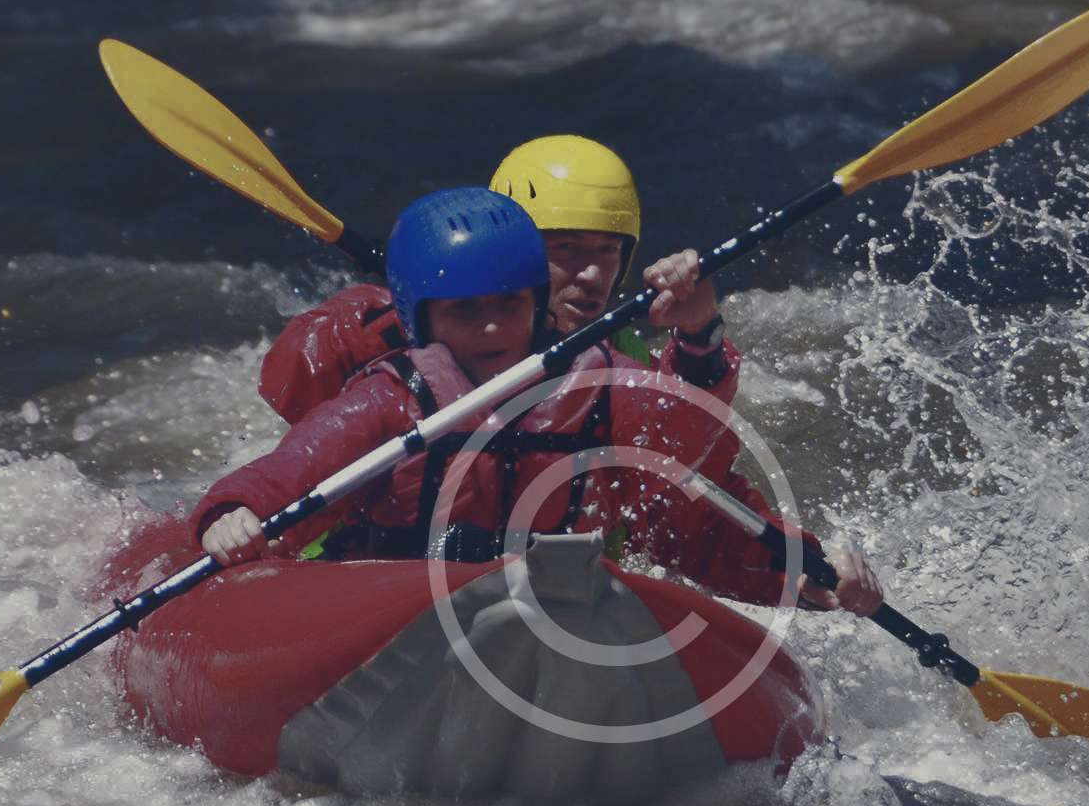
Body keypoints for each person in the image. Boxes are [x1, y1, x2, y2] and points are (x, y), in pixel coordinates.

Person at [200, 188, 881, 615]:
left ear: (535, 304)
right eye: (465, 312)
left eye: (509, 305)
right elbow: (287, 475)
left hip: (549, 612)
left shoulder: (597, 389)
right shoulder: (389, 399)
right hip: (394, 613)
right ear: (419, 319)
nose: (491, 329)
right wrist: (233, 515)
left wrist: (801, 572)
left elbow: (692, 481)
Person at [257, 137, 731, 425]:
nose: (591, 274)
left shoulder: (614, 349)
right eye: (566, 248)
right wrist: (395, 325)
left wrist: (699, 332)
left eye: (608, 250)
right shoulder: (413, 320)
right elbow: (286, 388)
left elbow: (689, 443)